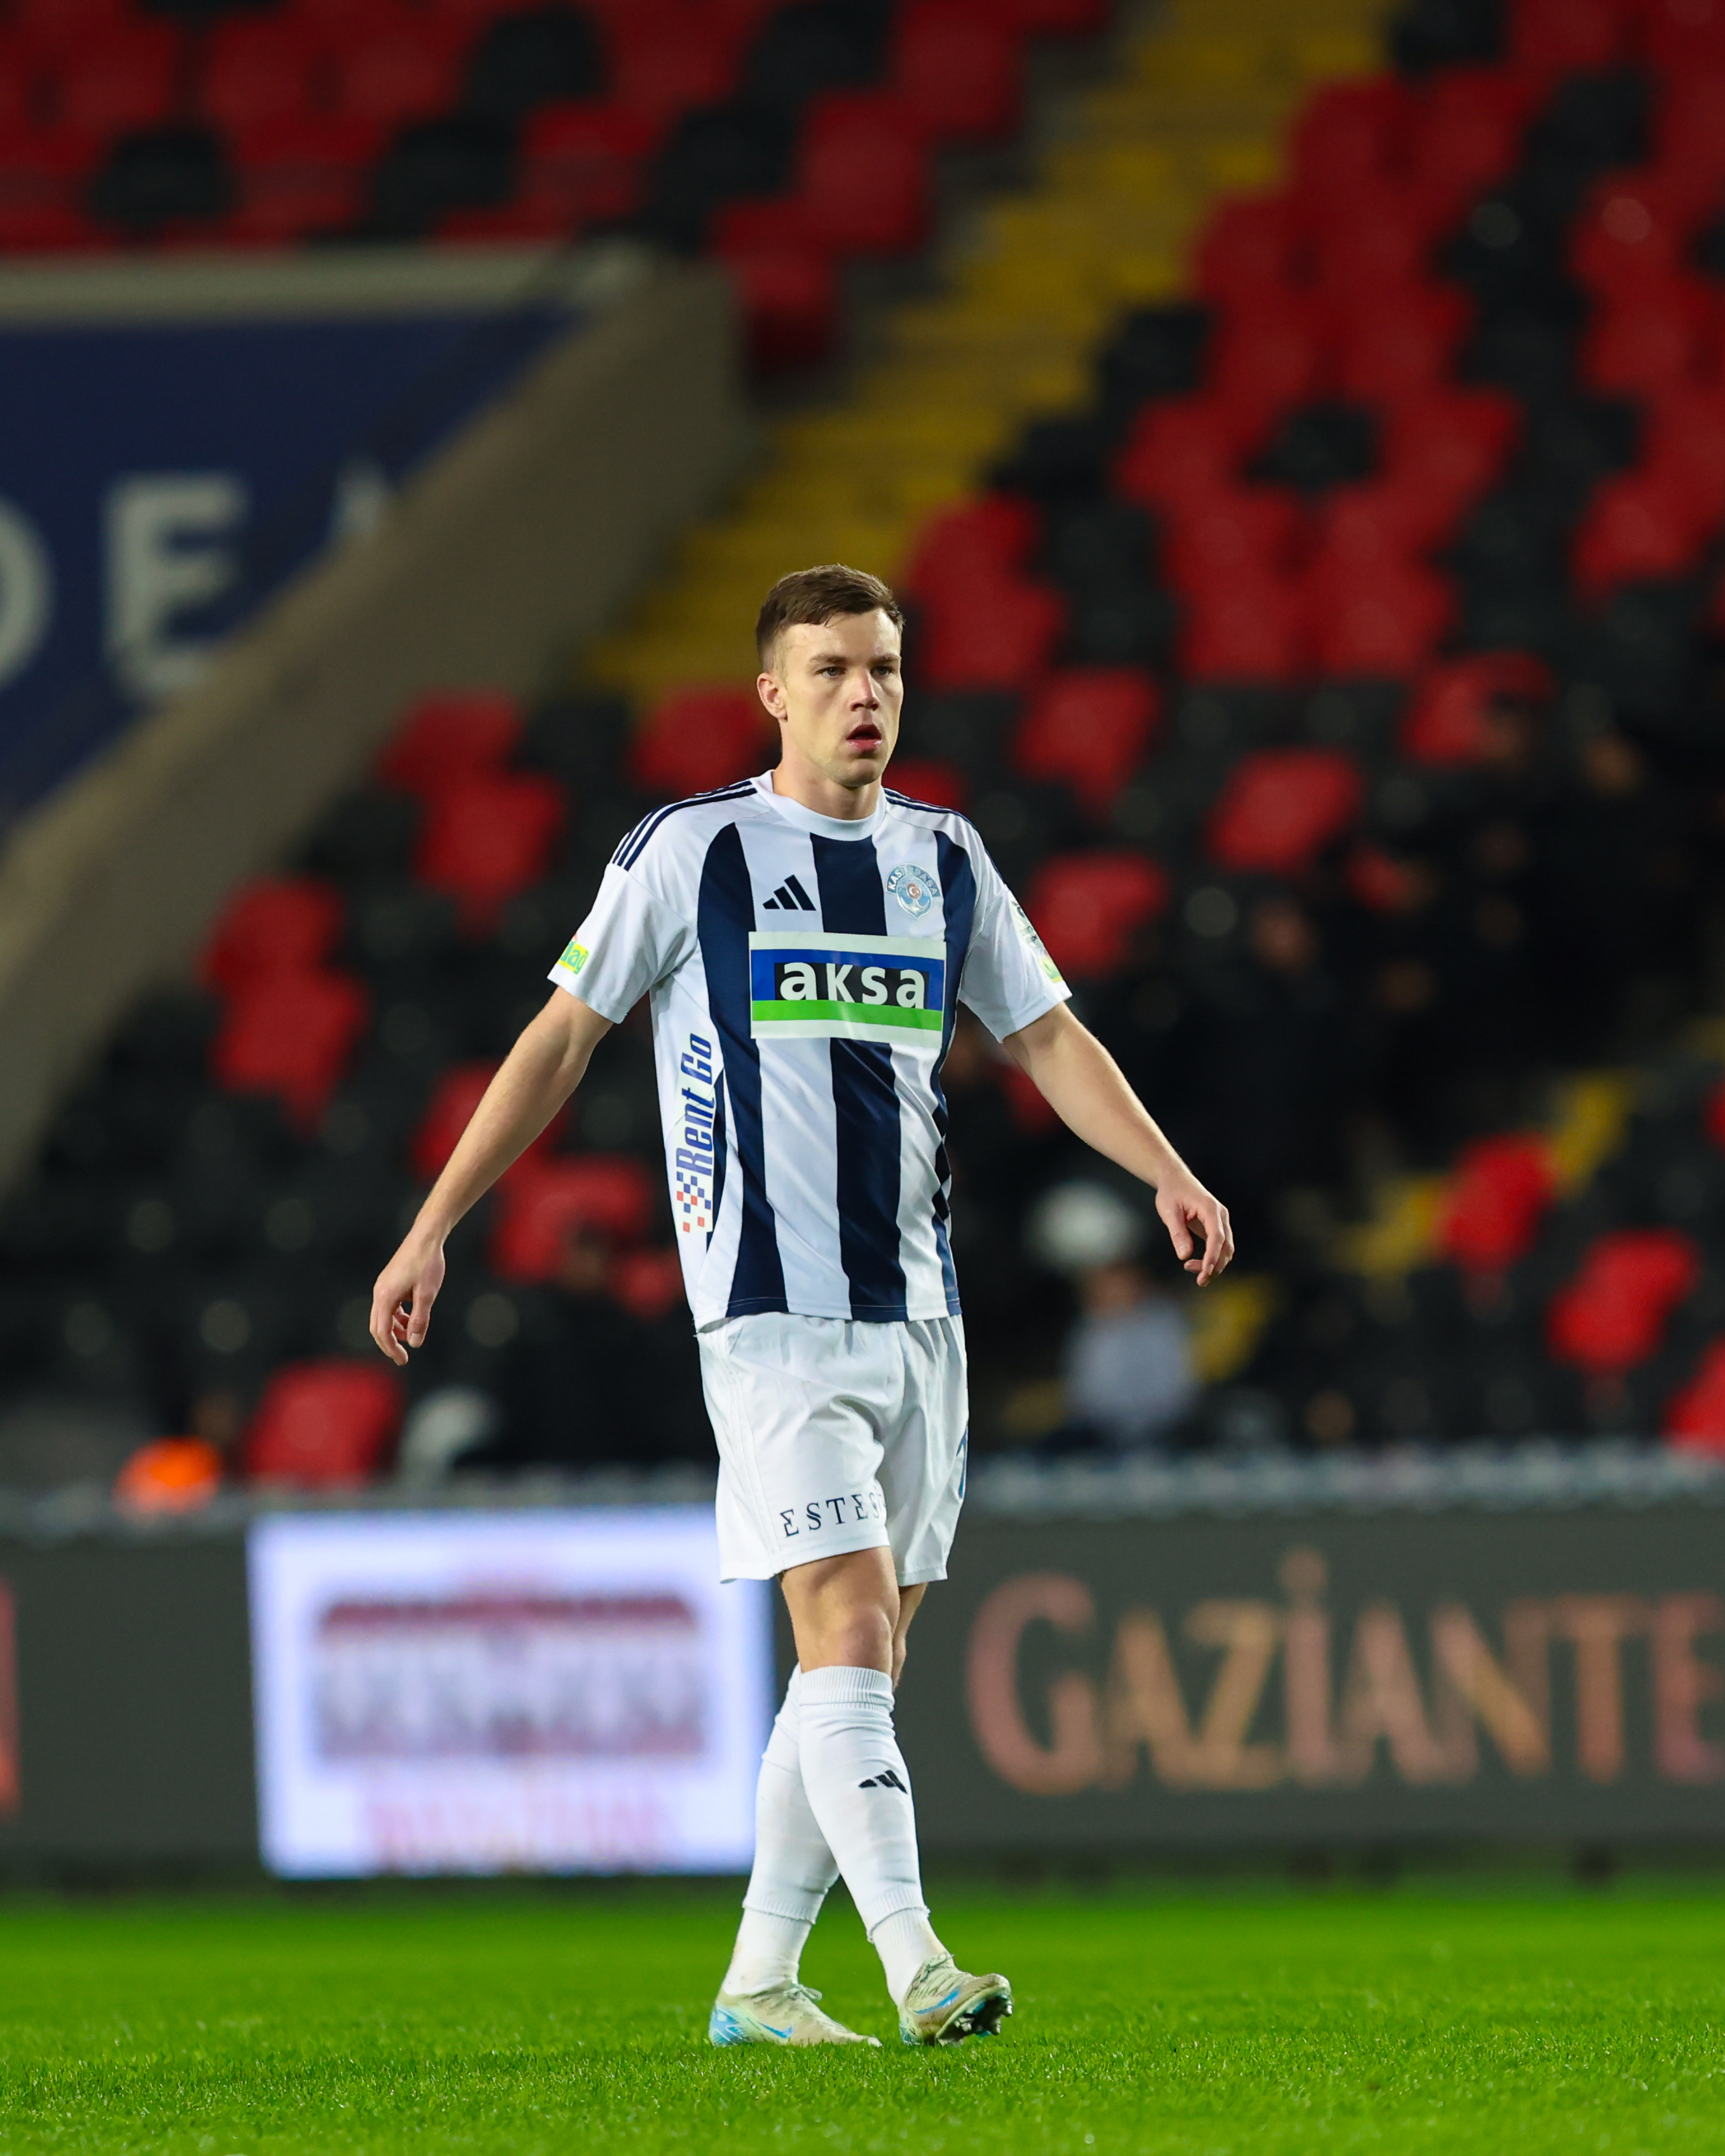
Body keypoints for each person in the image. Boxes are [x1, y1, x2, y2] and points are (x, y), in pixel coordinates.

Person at [368, 564, 1233, 2048]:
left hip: (920, 1321)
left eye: (883, 667)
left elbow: (1046, 1034)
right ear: (772, 693)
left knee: (860, 1666)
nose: (863, 694)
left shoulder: (945, 858)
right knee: (846, 1627)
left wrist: (1165, 1170)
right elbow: (562, 1036)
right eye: (830, 670)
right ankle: (919, 1966)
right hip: (768, 1319)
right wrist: (433, 1224)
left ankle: (758, 1983)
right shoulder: (691, 850)